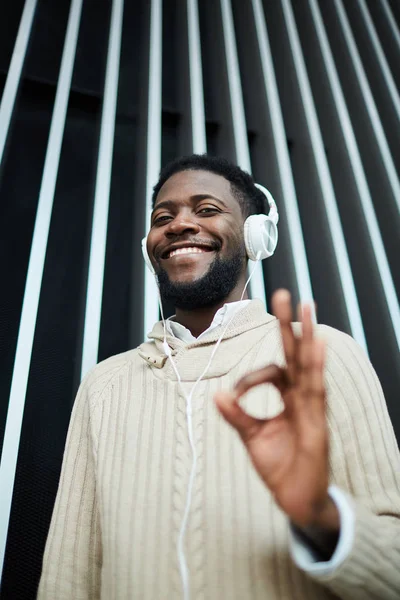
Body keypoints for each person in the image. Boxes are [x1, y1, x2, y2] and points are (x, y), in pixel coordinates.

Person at [38, 154, 400, 599]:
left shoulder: (321, 354)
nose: (178, 225)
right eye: (162, 217)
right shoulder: (104, 384)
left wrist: (323, 517)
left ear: (256, 236)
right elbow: (67, 576)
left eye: (207, 210)